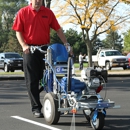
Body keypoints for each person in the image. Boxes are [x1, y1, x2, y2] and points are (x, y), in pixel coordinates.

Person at [12, 0, 70, 118]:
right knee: (32, 80)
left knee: (51, 78)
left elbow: (58, 29)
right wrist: (24, 45)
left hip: (45, 49)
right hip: (30, 49)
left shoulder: (48, 13)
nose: (37, 1)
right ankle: (36, 108)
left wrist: (66, 44)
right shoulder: (23, 12)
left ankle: (57, 103)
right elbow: (18, 31)